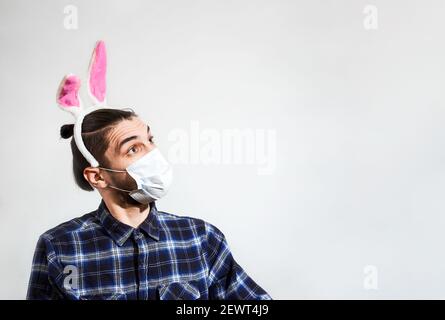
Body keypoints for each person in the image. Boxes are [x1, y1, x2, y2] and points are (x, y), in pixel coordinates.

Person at [26, 107, 272, 300]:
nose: (153, 154)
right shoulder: (59, 246)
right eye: (133, 149)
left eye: (150, 140)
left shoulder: (201, 238)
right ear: (98, 176)